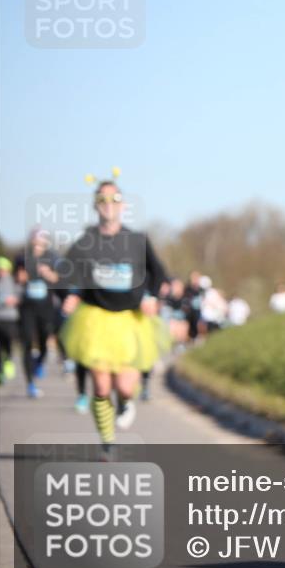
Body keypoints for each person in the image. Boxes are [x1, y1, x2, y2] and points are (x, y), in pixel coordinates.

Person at [59, 178, 170, 459]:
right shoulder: (86, 242)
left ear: (124, 205)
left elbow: (159, 275)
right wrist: (70, 295)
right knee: (101, 386)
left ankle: (126, 401)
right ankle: (107, 442)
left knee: (123, 386)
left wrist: (152, 297)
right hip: (95, 319)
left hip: (130, 320)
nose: (108, 204)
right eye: (102, 199)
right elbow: (66, 274)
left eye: (114, 199)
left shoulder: (137, 240)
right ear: (95, 205)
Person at [13, 227, 63, 398]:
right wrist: (26, 274)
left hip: (46, 306)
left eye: (42, 238)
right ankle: (30, 384)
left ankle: (39, 362)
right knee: (27, 342)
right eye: (36, 237)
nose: (38, 241)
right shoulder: (22, 257)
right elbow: (17, 279)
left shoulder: (52, 257)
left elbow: (58, 279)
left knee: (44, 340)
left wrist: (47, 273)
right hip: (27, 307)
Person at [0, 256, 19, 385]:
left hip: (10, 318)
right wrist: (3, 301)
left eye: (3, 269)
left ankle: (9, 360)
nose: (1, 272)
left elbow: (19, 297)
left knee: (8, 342)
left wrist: (14, 300)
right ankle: (0, 372)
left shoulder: (13, 282)